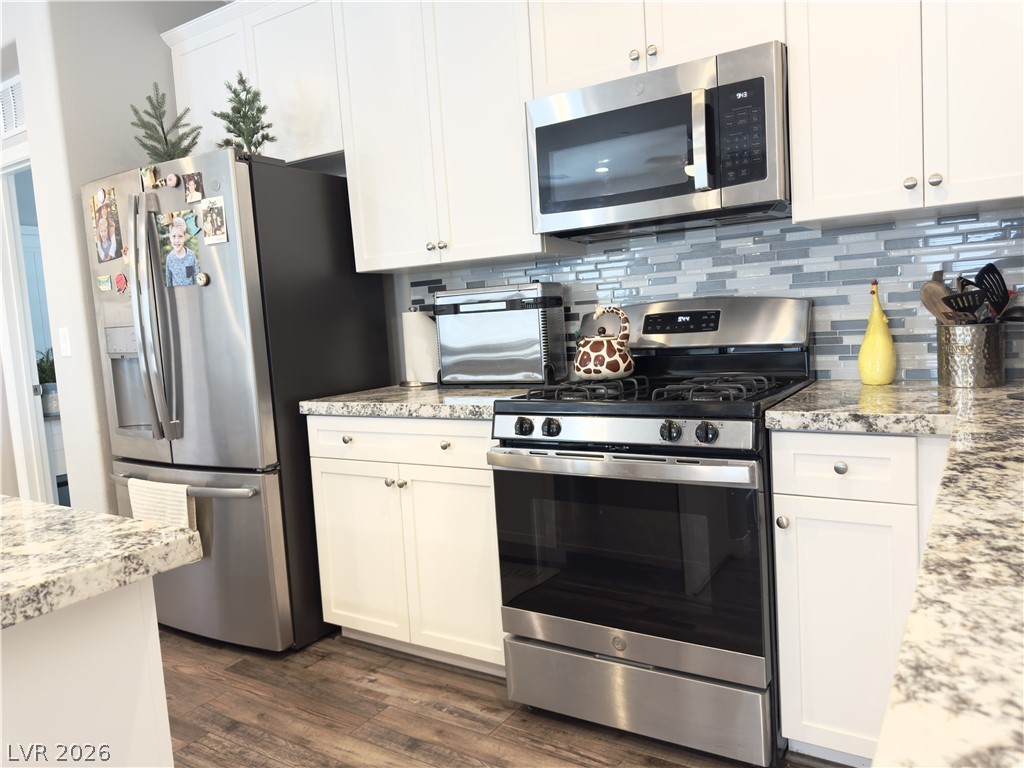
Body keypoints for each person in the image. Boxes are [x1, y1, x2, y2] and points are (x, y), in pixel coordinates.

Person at [165, 216, 198, 286]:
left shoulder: (191, 255)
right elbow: (168, 281)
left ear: (184, 237)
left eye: (180, 236)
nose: (177, 240)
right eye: (174, 236)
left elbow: (195, 278)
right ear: (170, 237)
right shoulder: (169, 258)